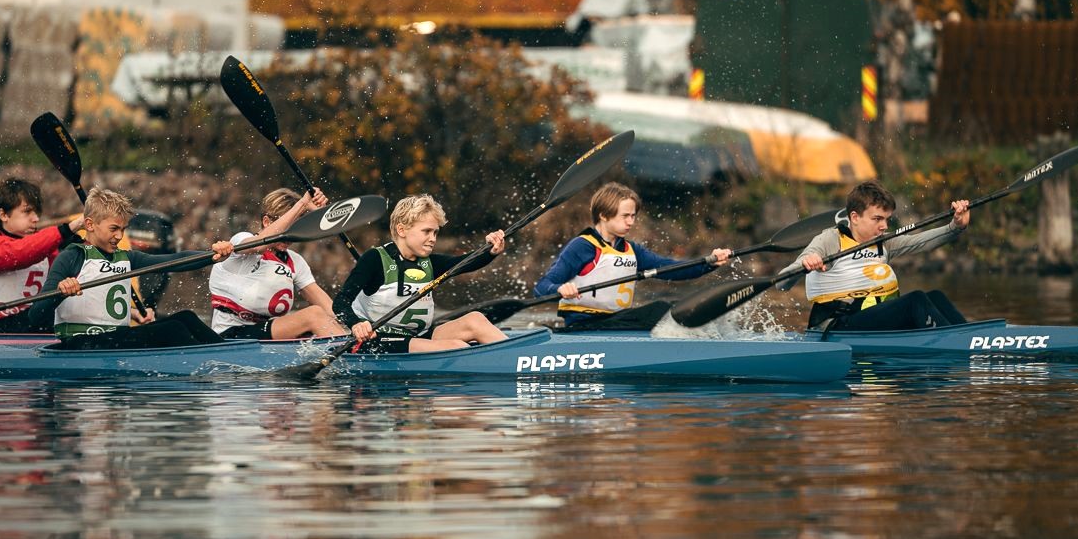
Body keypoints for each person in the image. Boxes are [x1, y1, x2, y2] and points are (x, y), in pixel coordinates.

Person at [28, 187, 230, 350]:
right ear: (89, 224)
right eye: (113, 229)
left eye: (123, 229)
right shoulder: (71, 257)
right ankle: (213, 368)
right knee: (173, 329)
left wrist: (212, 256)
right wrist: (60, 293)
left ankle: (227, 354)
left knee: (187, 317)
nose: (119, 236)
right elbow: (35, 316)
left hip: (114, 340)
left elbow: (174, 261)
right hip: (81, 344)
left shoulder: (126, 257)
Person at [534, 182, 732, 328]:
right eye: (625, 216)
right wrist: (559, 289)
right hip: (584, 325)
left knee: (674, 308)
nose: (631, 222)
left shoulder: (632, 250)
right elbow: (541, 287)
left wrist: (710, 262)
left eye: (633, 216)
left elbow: (671, 269)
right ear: (603, 215)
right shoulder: (582, 246)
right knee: (660, 310)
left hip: (617, 322)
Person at [783, 180, 971, 331]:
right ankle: (957, 343)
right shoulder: (830, 240)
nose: (884, 226)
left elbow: (922, 241)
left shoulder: (884, 242)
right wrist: (806, 263)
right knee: (916, 301)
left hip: (873, 318)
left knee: (936, 297)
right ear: (855, 217)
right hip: (839, 325)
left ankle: (971, 337)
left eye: (886, 219)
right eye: (877, 219)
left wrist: (955, 226)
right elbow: (782, 282)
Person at [333, 194, 508, 354]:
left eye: (435, 232)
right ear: (402, 230)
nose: (433, 238)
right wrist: (356, 324)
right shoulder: (375, 259)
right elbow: (341, 302)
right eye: (426, 231)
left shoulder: (430, 263)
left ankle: (515, 356)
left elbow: (466, 263)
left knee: (475, 320)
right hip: (377, 341)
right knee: (457, 347)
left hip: (418, 336)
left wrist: (490, 251)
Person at [208, 187, 347, 339]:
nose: (289, 236)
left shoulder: (295, 262)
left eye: (295, 229)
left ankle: (353, 347)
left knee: (325, 321)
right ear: (266, 222)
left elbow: (330, 310)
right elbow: (259, 245)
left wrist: (356, 325)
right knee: (314, 315)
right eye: (286, 228)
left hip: (264, 334)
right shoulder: (241, 242)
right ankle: (351, 352)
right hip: (229, 336)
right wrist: (303, 203)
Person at [0, 178, 83, 334]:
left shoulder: (46, 246)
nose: (36, 218)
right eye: (27, 212)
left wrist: (79, 248)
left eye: (36, 212)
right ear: (3, 215)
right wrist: (66, 230)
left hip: (28, 323)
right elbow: (16, 254)